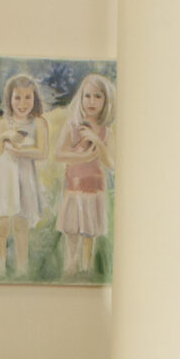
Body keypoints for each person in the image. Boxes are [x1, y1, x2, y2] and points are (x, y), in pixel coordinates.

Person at [0, 72, 49, 276]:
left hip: (25, 178)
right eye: (17, 97)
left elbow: (42, 152)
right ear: (9, 99)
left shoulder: (39, 122)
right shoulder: (4, 122)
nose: (22, 103)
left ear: (35, 98)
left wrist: (19, 152)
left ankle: (21, 270)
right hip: (4, 177)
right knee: (1, 225)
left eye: (28, 97)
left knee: (21, 224)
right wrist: (4, 137)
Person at [52, 71, 113, 279]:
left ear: (105, 101)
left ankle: (86, 271)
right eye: (87, 96)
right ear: (81, 98)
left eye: (98, 96)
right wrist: (83, 157)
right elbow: (59, 154)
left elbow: (110, 162)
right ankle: (70, 268)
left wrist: (96, 141)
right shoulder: (72, 126)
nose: (92, 102)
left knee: (89, 234)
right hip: (73, 189)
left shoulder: (105, 131)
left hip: (94, 190)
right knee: (72, 232)